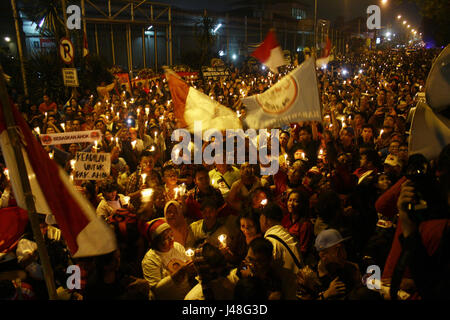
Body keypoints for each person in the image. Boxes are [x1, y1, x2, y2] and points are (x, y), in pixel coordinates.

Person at [141, 218, 195, 300]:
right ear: (155, 242)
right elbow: (156, 290)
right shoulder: (150, 260)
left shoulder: (177, 246)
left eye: (171, 235)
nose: (171, 240)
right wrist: (177, 274)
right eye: (166, 238)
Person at [259, 202, 302, 300]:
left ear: (265, 220)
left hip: (289, 293)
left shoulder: (270, 242)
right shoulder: (288, 235)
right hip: (300, 289)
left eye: (260, 219)